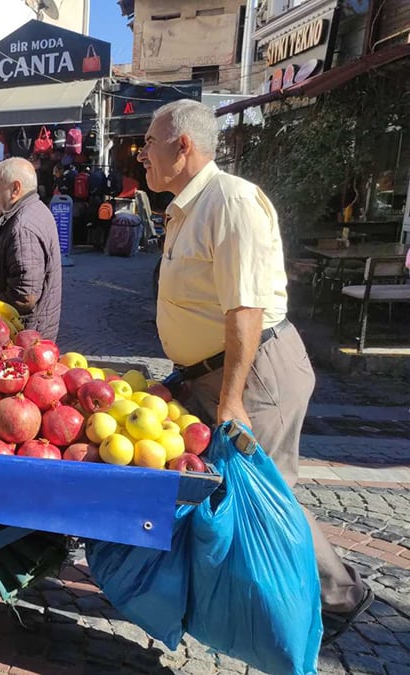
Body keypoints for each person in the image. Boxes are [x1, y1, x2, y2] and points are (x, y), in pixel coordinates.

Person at [139, 99, 373, 644]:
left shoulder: (231, 201)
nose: (141, 155)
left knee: (267, 490)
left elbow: (244, 310)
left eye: (148, 144)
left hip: (253, 372)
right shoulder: (185, 208)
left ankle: (338, 596)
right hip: (210, 371)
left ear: (183, 146)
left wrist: (231, 399)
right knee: (229, 489)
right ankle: (238, 590)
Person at [0, 158, 62, 342]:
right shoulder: (34, 209)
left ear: (15, 189)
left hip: (22, 335)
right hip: (32, 330)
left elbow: (25, 295)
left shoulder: (23, 226)